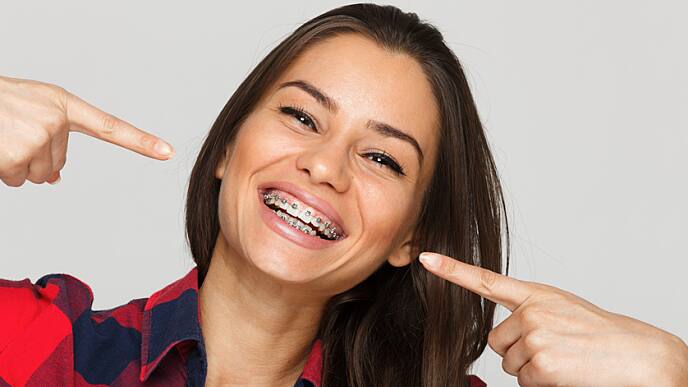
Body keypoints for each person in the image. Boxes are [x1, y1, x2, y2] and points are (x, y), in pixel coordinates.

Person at [0, 3, 686, 387]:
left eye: (382, 157)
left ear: (410, 236)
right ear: (229, 144)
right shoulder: (39, 345)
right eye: (301, 116)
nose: (326, 166)